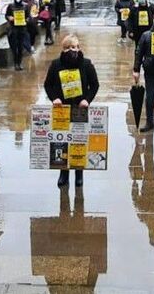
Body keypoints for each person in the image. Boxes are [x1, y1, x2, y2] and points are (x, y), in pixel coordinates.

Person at [44, 34, 100, 189]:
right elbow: (48, 85)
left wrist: (87, 100)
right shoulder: (56, 64)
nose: (72, 50)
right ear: (63, 49)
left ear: (79, 48)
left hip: (80, 109)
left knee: (78, 141)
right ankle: (63, 172)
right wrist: (54, 98)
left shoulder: (86, 64)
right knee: (61, 141)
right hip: (62, 110)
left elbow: (95, 85)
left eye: (74, 47)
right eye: (68, 47)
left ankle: (79, 173)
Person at [5, 0, 30, 71]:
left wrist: (26, 20)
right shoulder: (10, 6)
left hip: (22, 28)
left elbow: (28, 16)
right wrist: (9, 17)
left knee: (20, 46)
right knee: (14, 47)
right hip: (13, 28)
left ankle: (19, 62)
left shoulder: (25, 6)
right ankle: (15, 62)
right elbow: (7, 15)